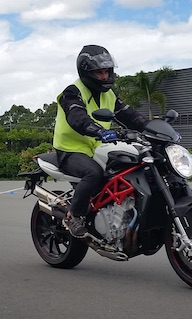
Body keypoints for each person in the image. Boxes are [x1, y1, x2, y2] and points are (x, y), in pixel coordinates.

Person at [53, 44, 149, 238]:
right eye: (99, 72)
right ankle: (75, 216)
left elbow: (131, 116)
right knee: (93, 174)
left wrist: (156, 129)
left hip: (98, 147)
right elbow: (76, 117)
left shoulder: (109, 94)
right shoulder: (72, 92)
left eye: (106, 71)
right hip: (71, 149)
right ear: (86, 72)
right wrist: (97, 130)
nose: (104, 77)